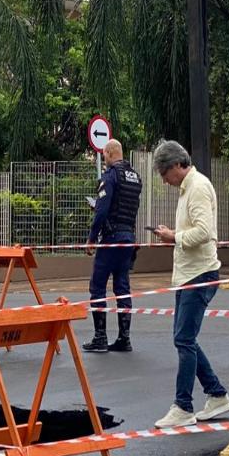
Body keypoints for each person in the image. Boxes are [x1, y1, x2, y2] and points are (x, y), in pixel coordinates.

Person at [151, 141, 229, 428]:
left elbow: (204, 232)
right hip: (191, 273)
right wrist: (173, 235)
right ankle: (216, 394)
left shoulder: (197, 187)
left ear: (177, 165)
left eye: (164, 173)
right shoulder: (190, 187)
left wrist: (173, 237)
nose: (164, 180)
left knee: (184, 339)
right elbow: (195, 231)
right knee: (184, 338)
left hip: (199, 274)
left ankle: (183, 406)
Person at [83, 139, 142, 353]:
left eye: (104, 155)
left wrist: (91, 238)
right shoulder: (135, 178)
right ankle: (124, 339)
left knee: (98, 286)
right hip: (128, 239)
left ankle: (100, 337)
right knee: (122, 287)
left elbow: (102, 211)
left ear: (108, 153)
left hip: (110, 239)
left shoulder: (110, 176)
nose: (104, 159)